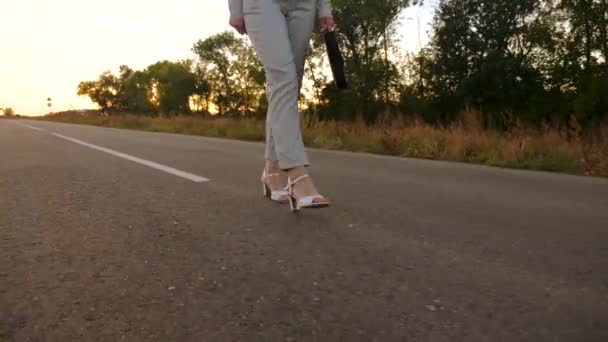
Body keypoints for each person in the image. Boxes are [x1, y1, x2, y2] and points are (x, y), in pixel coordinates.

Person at [228, 0, 335, 212]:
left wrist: (324, 8)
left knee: (289, 86)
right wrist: (235, 8)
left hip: (304, 5)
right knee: (283, 79)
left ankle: (271, 171)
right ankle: (297, 177)